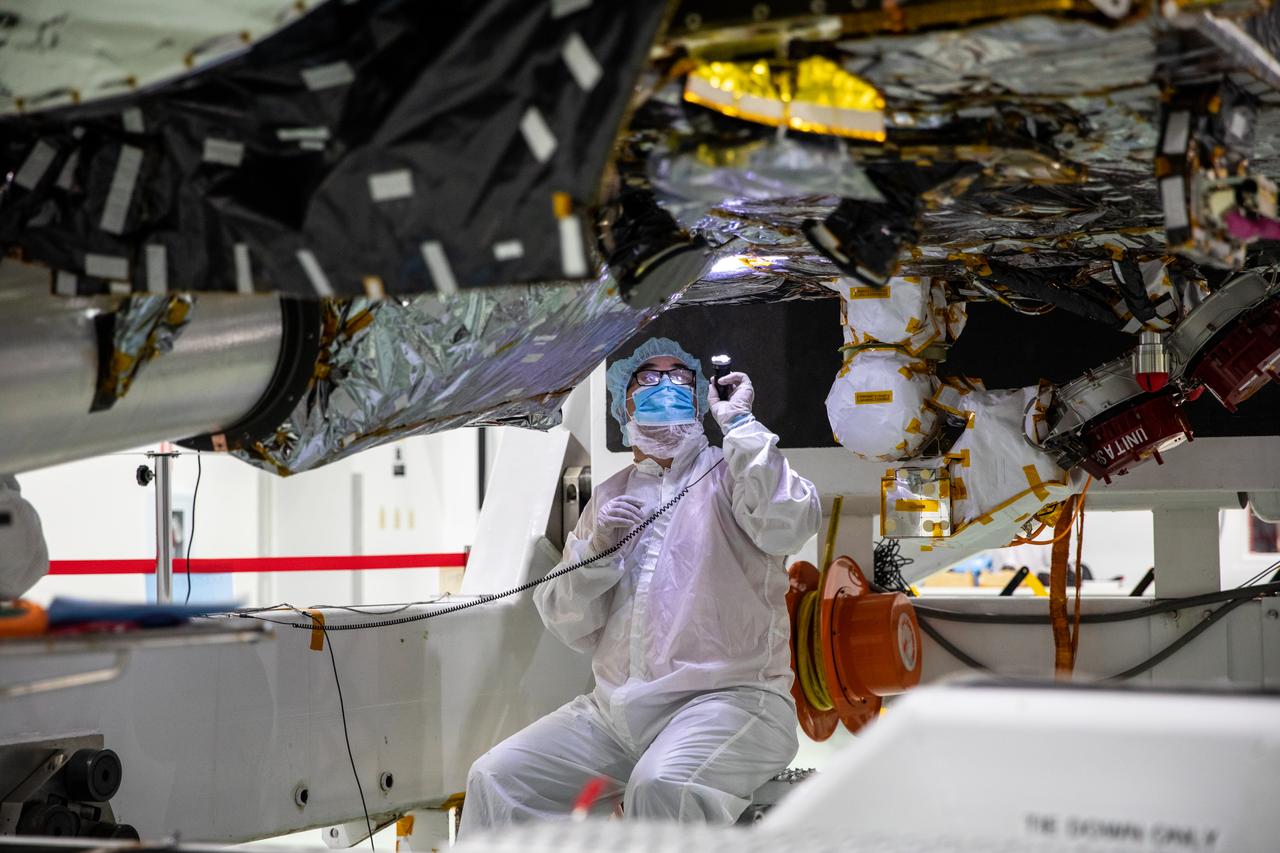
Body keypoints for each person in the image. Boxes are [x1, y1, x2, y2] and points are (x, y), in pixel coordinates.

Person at [460, 337, 820, 830]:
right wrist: (596, 553)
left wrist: (741, 427)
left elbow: (789, 523)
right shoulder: (610, 498)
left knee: (664, 786)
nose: (664, 385)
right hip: (616, 714)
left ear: (699, 399)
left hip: (729, 700)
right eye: (648, 378)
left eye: (679, 378)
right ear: (623, 404)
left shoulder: (731, 474)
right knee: (498, 777)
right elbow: (566, 620)